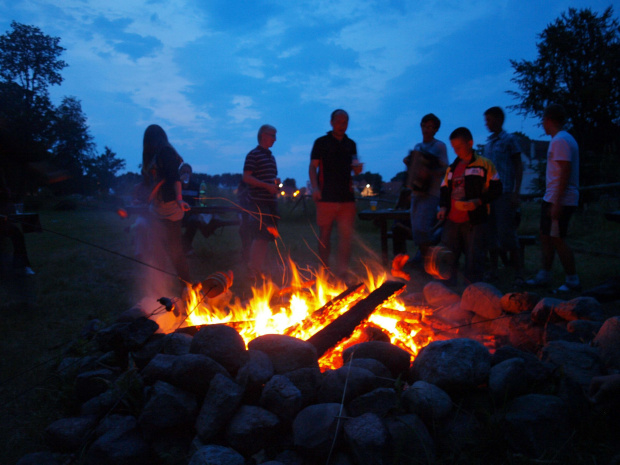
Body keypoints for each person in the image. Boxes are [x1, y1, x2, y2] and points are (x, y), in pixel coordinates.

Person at [526, 104, 580, 292]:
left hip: (561, 198)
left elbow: (565, 170)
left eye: (543, 120)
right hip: (553, 197)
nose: (542, 124)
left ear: (548, 120)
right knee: (546, 236)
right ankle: (544, 275)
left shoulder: (561, 141)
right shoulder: (563, 139)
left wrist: (557, 202)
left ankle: (572, 280)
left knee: (557, 238)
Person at [437, 127, 502, 284]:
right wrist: (444, 207)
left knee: (474, 258)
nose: (456, 150)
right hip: (452, 220)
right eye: (453, 147)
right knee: (448, 255)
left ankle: (473, 291)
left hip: (474, 220)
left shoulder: (484, 165)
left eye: (459, 146)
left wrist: (478, 201)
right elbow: (445, 189)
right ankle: (447, 289)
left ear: (470, 143)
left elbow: (497, 189)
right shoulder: (452, 169)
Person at [309, 109, 363, 278]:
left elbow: (355, 170)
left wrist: (357, 169)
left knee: (345, 237)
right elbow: (313, 167)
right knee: (325, 234)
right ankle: (324, 269)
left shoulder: (351, 144)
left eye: (345, 122)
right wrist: (315, 188)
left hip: (346, 197)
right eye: (339, 122)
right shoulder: (321, 142)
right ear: (331, 122)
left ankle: (342, 271)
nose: (342, 125)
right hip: (326, 196)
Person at [141, 124, 191, 285]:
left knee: (174, 249)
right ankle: (158, 286)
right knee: (157, 248)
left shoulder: (166, 152)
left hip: (170, 207)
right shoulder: (153, 157)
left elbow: (174, 177)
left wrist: (178, 198)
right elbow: (151, 181)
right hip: (156, 208)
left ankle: (187, 286)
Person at [483, 106, 524, 285]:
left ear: (499, 120)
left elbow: (518, 165)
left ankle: (518, 273)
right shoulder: (489, 143)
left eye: (490, 120)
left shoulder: (509, 140)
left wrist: (516, 191)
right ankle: (494, 270)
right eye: (486, 120)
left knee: (507, 233)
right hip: (489, 195)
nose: (487, 124)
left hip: (505, 192)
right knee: (490, 234)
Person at [403, 113, 448, 266]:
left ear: (436, 130)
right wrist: (409, 163)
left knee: (423, 227)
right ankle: (424, 259)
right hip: (416, 193)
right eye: (424, 126)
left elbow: (445, 168)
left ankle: (430, 261)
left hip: (431, 193)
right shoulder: (418, 147)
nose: (426, 129)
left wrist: (429, 170)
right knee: (416, 229)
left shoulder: (439, 146)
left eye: (430, 127)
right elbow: (413, 170)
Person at [242, 124, 280, 276]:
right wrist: (266, 185)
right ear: (263, 136)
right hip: (258, 202)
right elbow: (246, 177)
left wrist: (274, 184)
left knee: (269, 235)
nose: (275, 139)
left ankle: (261, 266)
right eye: (272, 135)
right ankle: (253, 269)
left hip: (270, 201)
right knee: (260, 235)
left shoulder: (271, 157)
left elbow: (269, 179)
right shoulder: (253, 155)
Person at [0, 169, 34, 276]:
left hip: (4, 225)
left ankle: (23, 265)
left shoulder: (5, 197)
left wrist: (10, 216)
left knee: (17, 234)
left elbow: (10, 212)